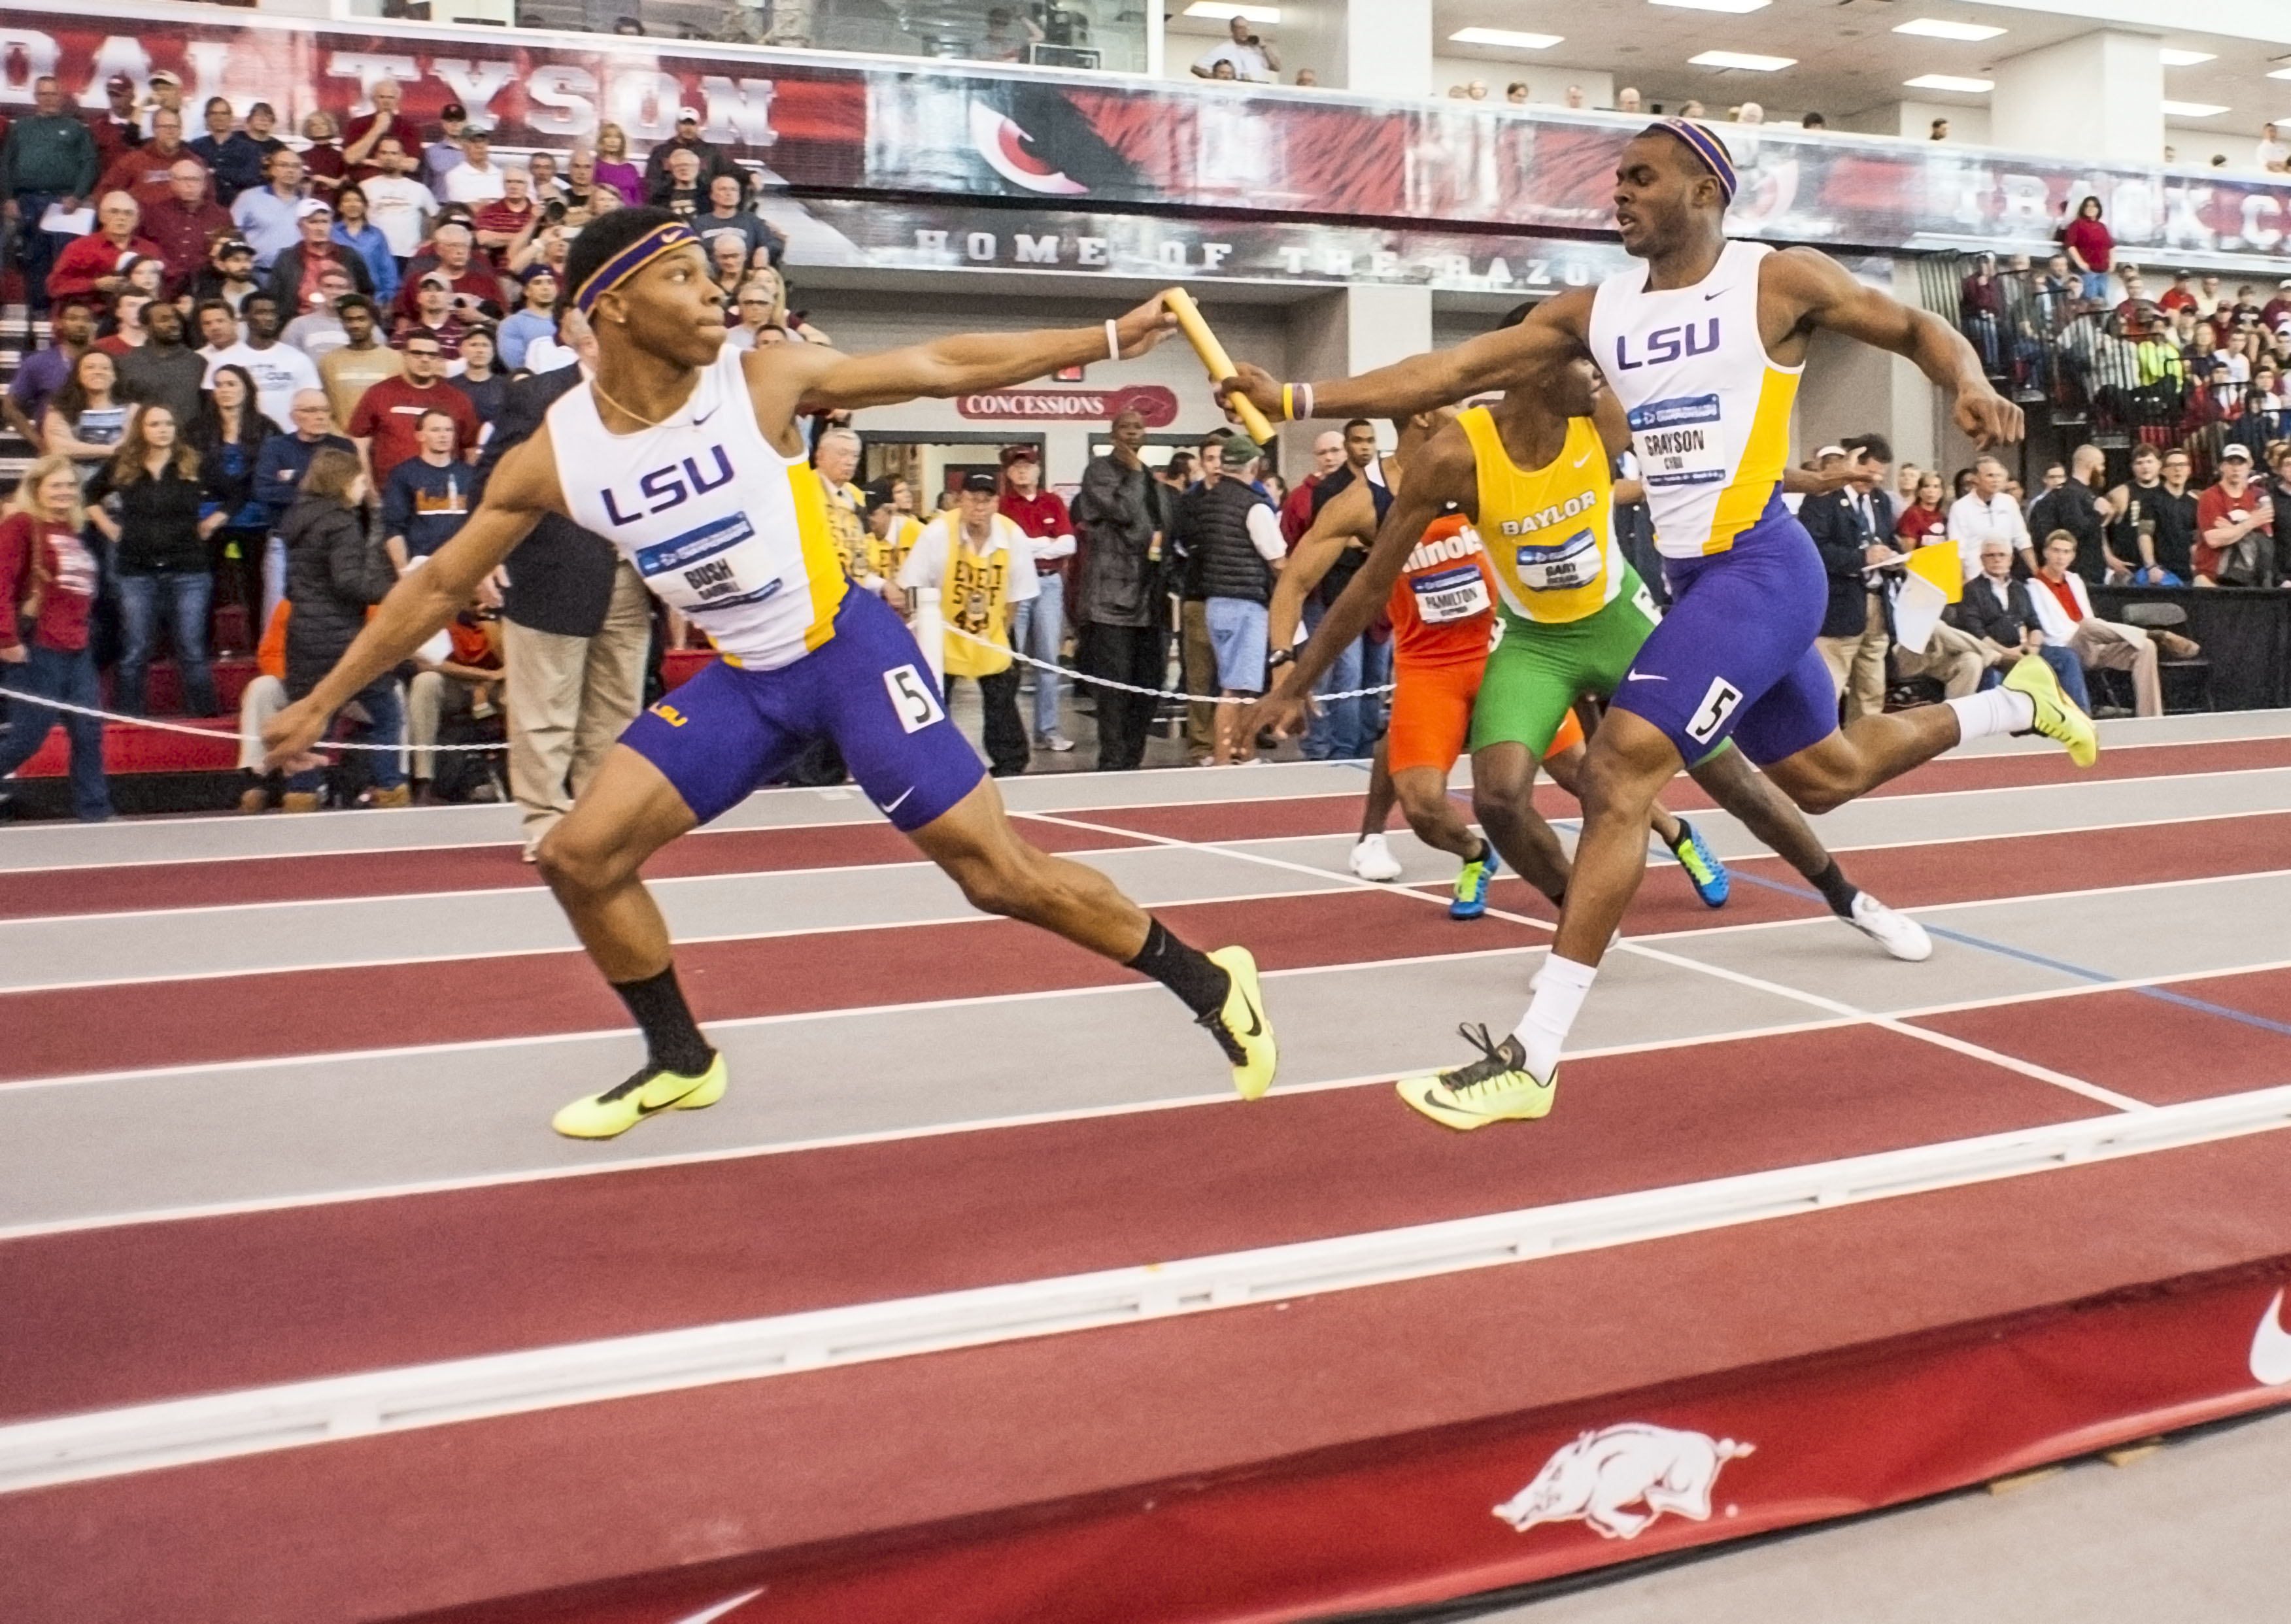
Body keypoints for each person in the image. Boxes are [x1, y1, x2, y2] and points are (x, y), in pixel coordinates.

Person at [265, 208, 1275, 1138]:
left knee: (996, 876)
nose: (716, 291)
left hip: (846, 652)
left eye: (718, 274)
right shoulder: (555, 455)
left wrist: (1103, 341)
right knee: (578, 856)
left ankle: (1210, 981)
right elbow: (439, 583)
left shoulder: (757, 382)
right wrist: (320, 698)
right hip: (748, 681)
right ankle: (680, 1054)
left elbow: (936, 362)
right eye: (685, 276)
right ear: (611, 305)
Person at [1223, 117, 2086, 1126]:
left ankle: (1533, 1055)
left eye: (1641, 177)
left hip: (1763, 563)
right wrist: (1295, 393)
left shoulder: (1777, 282)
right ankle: (2017, 705)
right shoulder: (1600, 309)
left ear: (1706, 193)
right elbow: (1451, 373)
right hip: (1698, 582)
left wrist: (1969, 380)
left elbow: (1911, 327)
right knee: (1828, 776)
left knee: (1621, 763)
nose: (1619, 193)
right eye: (1616, 179)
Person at [475, 359, 652, 859]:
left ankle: (600, 822)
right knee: (544, 709)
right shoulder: (539, 395)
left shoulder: (655, 391)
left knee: (617, 708)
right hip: (552, 565)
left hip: (631, 571)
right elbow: (493, 477)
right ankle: (545, 822)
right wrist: (482, 554)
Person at [279, 447, 408, 810]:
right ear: (343, 482)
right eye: (360, 480)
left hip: (303, 635)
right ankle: (390, 790)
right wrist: (394, 590)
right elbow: (349, 582)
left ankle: (301, 795)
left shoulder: (297, 520)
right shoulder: (341, 521)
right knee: (386, 713)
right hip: (342, 638)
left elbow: (291, 587)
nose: (364, 487)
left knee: (311, 719)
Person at [900, 470, 1040, 777]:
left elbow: (1017, 593)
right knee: (934, 699)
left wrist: (1002, 631)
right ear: (959, 500)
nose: (980, 505)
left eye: (987, 499)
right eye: (973, 498)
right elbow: (911, 583)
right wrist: (920, 632)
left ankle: (1011, 761)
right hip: (943, 633)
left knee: (1002, 697)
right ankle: (930, 760)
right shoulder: (938, 533)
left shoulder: (1012, 535)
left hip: (990, 630)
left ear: (997, 503)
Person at [87, 403, 224, 716]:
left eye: (168, 423)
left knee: (191, 649)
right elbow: (89, 493)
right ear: (141, 430)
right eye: (154, 424)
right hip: (136, 570)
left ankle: (205, 720)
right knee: (135, 650)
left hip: (189, 568)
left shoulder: (194, 461)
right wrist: (108, 526)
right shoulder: (124, 463)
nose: (163, 429)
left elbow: (235, 493)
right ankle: (129, 720)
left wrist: (213, 521)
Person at [0, 456, 111, 822]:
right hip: (37, 648)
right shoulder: (21, 525)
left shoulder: (72, 530)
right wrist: (7, 638)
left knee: (88, 732)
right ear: (36, 489)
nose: (65, 492)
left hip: (77, 647)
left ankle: (95, 813)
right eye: (56, 485)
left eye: (70, 486)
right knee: (28, 737)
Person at [1071, 406, 1172, 771]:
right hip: (1110, 603)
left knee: (1148, 688)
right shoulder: (1099, 472)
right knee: (1114, 692)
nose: (1132, 433)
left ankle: (1134, 761)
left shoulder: (1152, 480)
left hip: (1151, 600)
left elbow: (1160, 532)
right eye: (1125, 427)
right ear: (1113, 434)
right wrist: (1131, 475)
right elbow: (1125, 513)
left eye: (1139, 427)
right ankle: (1113, 764)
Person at [1181, 434, 1285, 764]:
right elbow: (1277, 560)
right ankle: (1233, 759)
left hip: (1214, 603)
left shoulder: (1206, 502)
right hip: (1246, 604)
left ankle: (1234, 755)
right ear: (1253, 466)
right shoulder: (1253, 505)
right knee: (1240, 690)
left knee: (1229, 684)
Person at [2026, 530, 2181, 717]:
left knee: (2145, 647)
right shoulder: (2033, 586)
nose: (2061, 557)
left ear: (2073, 556)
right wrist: (2087, 629)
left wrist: (2096, 633)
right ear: (2046, 553)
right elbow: (2051, 630)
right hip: (2066, 646)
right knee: (2088, 625)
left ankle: (2151, 717)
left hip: (2095, 643)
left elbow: (2089, 616)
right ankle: (2149, 632)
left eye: (2066, 552)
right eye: (2056, 551)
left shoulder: (2075, 581)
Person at [1803, 435, 1897, 724]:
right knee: (1828, 686)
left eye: (1880, 474)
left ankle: (1865, 752)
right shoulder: (1823, 497)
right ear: (1852, 463)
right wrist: (1862, 558)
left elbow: (1888, 538)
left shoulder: (1881, 500)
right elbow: (1813, 550)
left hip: (1876, 604)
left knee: (1872, 689)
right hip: (1838, 606)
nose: (1875, 480)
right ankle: (1820, 750)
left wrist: (1896, 558)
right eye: (1869, 473)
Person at [998, 444, 1076, 752]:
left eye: (1028, 465)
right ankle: (1012, 737)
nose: (1022, 470)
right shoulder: (1003, 506)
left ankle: (1048, 730)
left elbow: (1069, 544)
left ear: (1038, 468)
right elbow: (1004, 548)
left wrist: (1030, 547)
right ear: (1008, 472)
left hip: (1048, 584)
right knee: (1011, 662)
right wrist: (1045, 543)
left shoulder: (1053, 501)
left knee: (1048, 660)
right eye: (1016, 466)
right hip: (1015, 586)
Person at [192, 362, 275, 645]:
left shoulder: (267, 428)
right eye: (219, 385)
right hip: (206, 523)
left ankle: (257, 644)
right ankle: (204, 647)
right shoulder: (197, 430)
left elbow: (262, 478)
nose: (225, 390)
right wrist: (221, 511)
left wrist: (225, 510)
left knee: (255, 586)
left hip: (254, 521)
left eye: (232, 384)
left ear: (247, 389)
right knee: (207, 586)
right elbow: (199, 473)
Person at [254, 388, 352, 626]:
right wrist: (321, 491)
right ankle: (274, 661)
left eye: (324, 410)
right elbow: (264, 491)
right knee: (278, 610)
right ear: (294, 416)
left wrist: (294, 479)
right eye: (311, 410)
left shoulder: (344, 447)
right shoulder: (276, 447)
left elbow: (347, 495)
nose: (320, 416)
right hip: (285, 541)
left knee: (332, 610)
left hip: (333, 542)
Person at [2, 76, 100, 313]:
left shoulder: (76, 128)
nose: (49, 99)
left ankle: (68, 313)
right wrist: (8, 198)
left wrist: (77, 196)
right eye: (43, 94)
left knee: (68, 260)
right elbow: (5, 163)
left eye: (53, 94)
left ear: (61, 96)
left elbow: (90, 163)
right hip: (28, 202)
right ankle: (38, 314)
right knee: (33, 260)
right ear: (36, 97)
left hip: (65, 204)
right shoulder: (20, 128)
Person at [1956, 538, 2088, 711]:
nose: (1997, 559)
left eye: (2002, 555)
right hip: (1993, 653)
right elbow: (1976, 632)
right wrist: (2006, 653)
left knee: (2067, 657)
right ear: (1982, 560)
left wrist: (2032, 647)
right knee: (1992, 673)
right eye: (1991, 555)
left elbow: (2034, 623)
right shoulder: (1972, 590)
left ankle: (2080, 716)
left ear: (2010, 560)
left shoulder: (2019, 589)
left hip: (2024, 649)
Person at [348, 330, 477, 485]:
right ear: (404, 355)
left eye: (432, 355)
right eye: (417, 354)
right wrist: (370, 490)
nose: (425, 359)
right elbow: (359, 443)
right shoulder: (379, 393)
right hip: (390, 493)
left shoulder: (458, 399)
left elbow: (470, 449)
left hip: (443, 494)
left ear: (439, 359)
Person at [382, 407, 475, 574]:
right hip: (421, 565)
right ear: (420, 435)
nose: (443, 435)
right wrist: (403, 571)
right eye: (435, 430)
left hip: (464, 563)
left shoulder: (470, 475)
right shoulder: (403, 474)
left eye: (449, 430)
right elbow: (394, 528)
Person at [45, 190, 162, 309]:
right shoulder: (79, 248)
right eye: (114, 212)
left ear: (137, 220)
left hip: (138, 315)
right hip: (92, 316)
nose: (121, 218)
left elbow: (161, 288)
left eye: (128, 213)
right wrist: (95, 284)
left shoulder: (149, 250)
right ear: (102, 216)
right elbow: (54, 286)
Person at [5, 298, 93, 453]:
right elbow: (10, 406)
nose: (80, 324)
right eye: (73, 318)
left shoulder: (106, 361)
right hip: (56, 451)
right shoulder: (38, 363)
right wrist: (39, 442)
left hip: (100, 449)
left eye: (86, 319)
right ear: (59, 323)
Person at [2192, 442, 2277, 588]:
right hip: (2212, 578)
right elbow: (2213, 539)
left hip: (2247, 578)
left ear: (2249, 466)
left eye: (2241, 463)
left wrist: (2232, 529)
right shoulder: (2210, 496)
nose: (2236, 468)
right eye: (2231, 463)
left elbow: (2264, 542)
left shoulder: (2256, 497)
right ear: (2222, 467)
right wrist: (2251, 523)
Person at [41, 347, 133, 475]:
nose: (98, 372)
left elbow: (132, 446)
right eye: (90, 367)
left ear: (115, 375)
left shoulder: (133, 410)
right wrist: (112, 450)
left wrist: (80, 449)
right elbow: (60, 448)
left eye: (105, 368)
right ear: (78, 376)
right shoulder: (59, 410)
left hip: (121, 482)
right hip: (74, 484)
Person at [117, 299, 205, 431]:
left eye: (176, 319)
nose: (174, 324)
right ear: (146, 328)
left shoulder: (198, 362)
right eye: (164, 320)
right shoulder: (127, 363)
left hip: (191, 443)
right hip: (145, 441)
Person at [317, 294, 401, 430]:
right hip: (341, 442)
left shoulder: (396, 359)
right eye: (349, 320)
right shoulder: (329, 361)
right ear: (343, 324)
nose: (355, 325)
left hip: (382, 440)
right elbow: (324, 405)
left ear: (373, 321)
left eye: (361, 319)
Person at [358, 139, 436, 267]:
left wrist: (430, 241)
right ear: (377, 156)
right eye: (384, 153)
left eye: (394, 153)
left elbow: (435, 216)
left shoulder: (419, 188)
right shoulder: (365, 186)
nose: (389, 157)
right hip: (375, 254)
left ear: (403, 156)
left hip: (410, 255)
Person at [231, 147, 309, 273]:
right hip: (257, 272)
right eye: (284, 165)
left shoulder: (308, 203)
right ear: (272, 170)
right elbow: (232, 234)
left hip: (297, 274)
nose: (290, 170)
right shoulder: (249, 198)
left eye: (296, 166)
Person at [498, 266, 560, 369]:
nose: (545, 287)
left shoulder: (567, 319)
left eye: (550, 282)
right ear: (526, 291)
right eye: (537, 283)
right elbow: (516, 365)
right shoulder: (512, 324)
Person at [1192, 14, 1278, 81]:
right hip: (1236, 94)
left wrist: (1264, 46)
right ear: (1232, 30)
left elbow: (1276, 67)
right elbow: (1196, 68)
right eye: (1240, 28)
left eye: (1246, 27)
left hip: (1257, 94)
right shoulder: (1224, 48)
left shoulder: (1257, 49)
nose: (1244, 31)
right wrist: (1218, 81)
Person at [2064, 195, 2114, 305]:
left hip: (2103, 273)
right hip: (2088, 272)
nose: (2091, 208)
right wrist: (2080, 263)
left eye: (2094, 206)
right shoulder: (2078, 224)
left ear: (2099, 209)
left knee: (2103, 305)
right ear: (2083, 208)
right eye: (2088, 206)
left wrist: (2112, 263)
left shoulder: (2102, 227)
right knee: (2089, 304)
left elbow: (2111, 246)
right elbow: (2070, 244)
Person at [591, 124, 645, 214]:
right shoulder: (596, 166)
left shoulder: (631, 168)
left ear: (621, 141)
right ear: (602, 141)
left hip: (630, 215)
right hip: (606, 214)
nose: (613, 141)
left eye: (617, 137)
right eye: (608, 137)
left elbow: (638, 196)